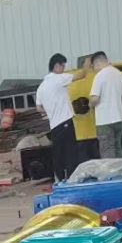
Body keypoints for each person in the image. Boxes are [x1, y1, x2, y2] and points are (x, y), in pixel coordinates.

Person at [36, 52, 86, 181]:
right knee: (71, 154)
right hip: (66, 122)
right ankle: (72, 180)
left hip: (54, 126)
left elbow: (39, 108)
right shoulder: (58, 79)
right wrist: (86, 64)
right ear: (57, 66)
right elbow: (81, 75)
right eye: (63, 66)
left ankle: (60, 179)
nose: (64, 69)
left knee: (59, 155)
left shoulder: (41, 87)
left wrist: (51, 110)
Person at [89, 51, 122, 160]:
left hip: (105, 120)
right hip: (119, 117)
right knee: (118, 147)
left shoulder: (100, 76)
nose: (94, 70)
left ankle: (111, 171)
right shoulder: (118, 73)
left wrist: (90, 104)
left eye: (93, 67)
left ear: (97, 63)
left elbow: (95, 98)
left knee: (107, 150)